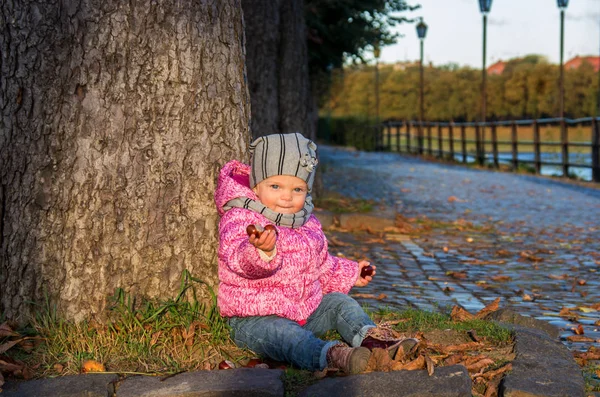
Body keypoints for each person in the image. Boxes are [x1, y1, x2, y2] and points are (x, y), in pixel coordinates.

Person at [214, 132, 417, 374]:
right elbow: (236, 258)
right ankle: (333, 356)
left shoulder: (307, 223)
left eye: (297, 189)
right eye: (275, 186)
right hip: (256, 319)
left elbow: (321, 265)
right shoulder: (241, 217)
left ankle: (373, 341)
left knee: (340, 303)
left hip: (305, 312)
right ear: (256, 186)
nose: (287, 196)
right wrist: (261, 252)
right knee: (287, 336)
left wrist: (352, 272)